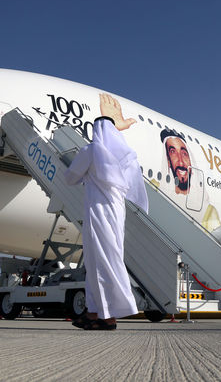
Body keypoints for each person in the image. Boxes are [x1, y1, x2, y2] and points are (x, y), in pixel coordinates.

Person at [62, 93, 147, 330]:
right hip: (117, 212)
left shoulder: (91, 151)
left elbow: (70, 178)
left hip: (98, 212)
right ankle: (93, 311)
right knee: (104, 259)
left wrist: (82, 172)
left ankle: (107, 317)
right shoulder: (124, 155)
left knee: (99, 261)